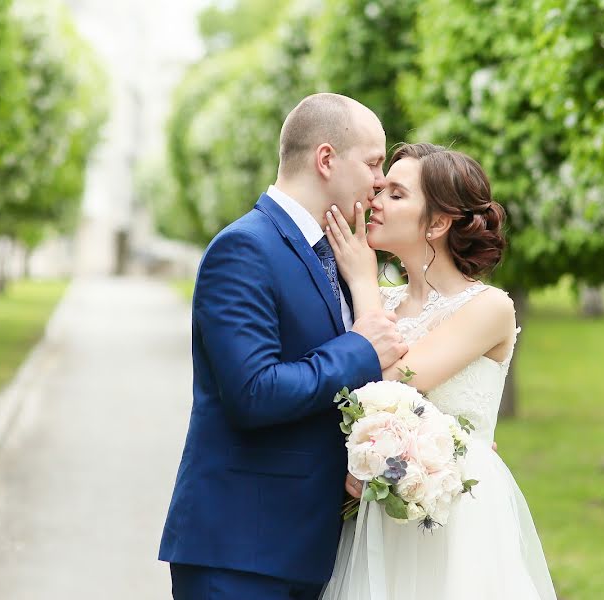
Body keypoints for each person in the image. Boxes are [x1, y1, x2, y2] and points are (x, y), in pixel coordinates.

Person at [158, 93, 408, 599]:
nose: (380, 180)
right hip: (239, 553)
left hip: (308, 549)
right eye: (373, 162)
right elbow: (253, 391)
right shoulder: (244, 248)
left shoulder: (340, 256)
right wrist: (360, 347)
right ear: (325, 159)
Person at [320, 143, 556, 600]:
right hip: (377, 514)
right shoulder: (378, 301)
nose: (375, 201)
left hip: (456, 517)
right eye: (380, 189)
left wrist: (365, 282)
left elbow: (389, 382)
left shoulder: (488, 308)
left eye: (395, 194)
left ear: (437, 222)